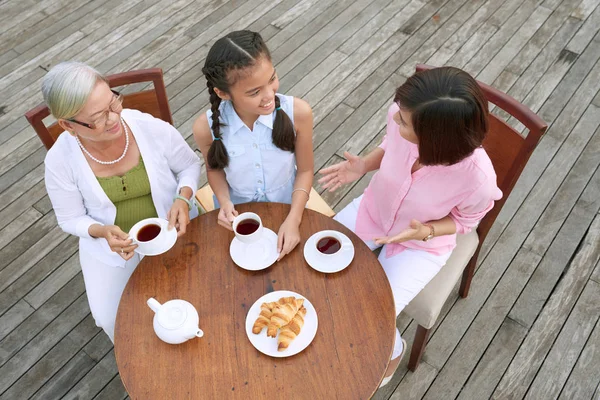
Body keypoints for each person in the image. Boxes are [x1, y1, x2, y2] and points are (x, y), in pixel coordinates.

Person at [318, 66, 502, 386]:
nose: (395, 119)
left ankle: (394, 350)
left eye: (404, 122)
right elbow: (390, 145)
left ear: (436, 139)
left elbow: (465, 221)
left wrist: (426, 231)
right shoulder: (401, 114)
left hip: (419, 245)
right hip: (373, 210)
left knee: (376, 316)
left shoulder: (479, 179)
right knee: (317, 260)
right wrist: (363, 165)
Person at [42, 61, 201, 342]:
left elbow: (189, 166)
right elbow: (69, 219)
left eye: (113, 103)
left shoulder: (147, 127)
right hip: (113, 246)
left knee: (199, 287)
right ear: (67, 125)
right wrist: (102, 232)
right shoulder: (59, 160)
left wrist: (182, 198)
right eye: (99, 117)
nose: (115, 118)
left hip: (173, 226)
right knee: (109, 317)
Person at [193, 30, 314, 260]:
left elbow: (306, 170)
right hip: (236, 218)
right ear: (222, 93)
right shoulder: (205, 127)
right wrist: (225, 201)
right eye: (254, 92)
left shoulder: (299, 113)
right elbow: (214, 169)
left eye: (272, 79)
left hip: (289, 208)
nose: (269, 95)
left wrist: (294, 219)